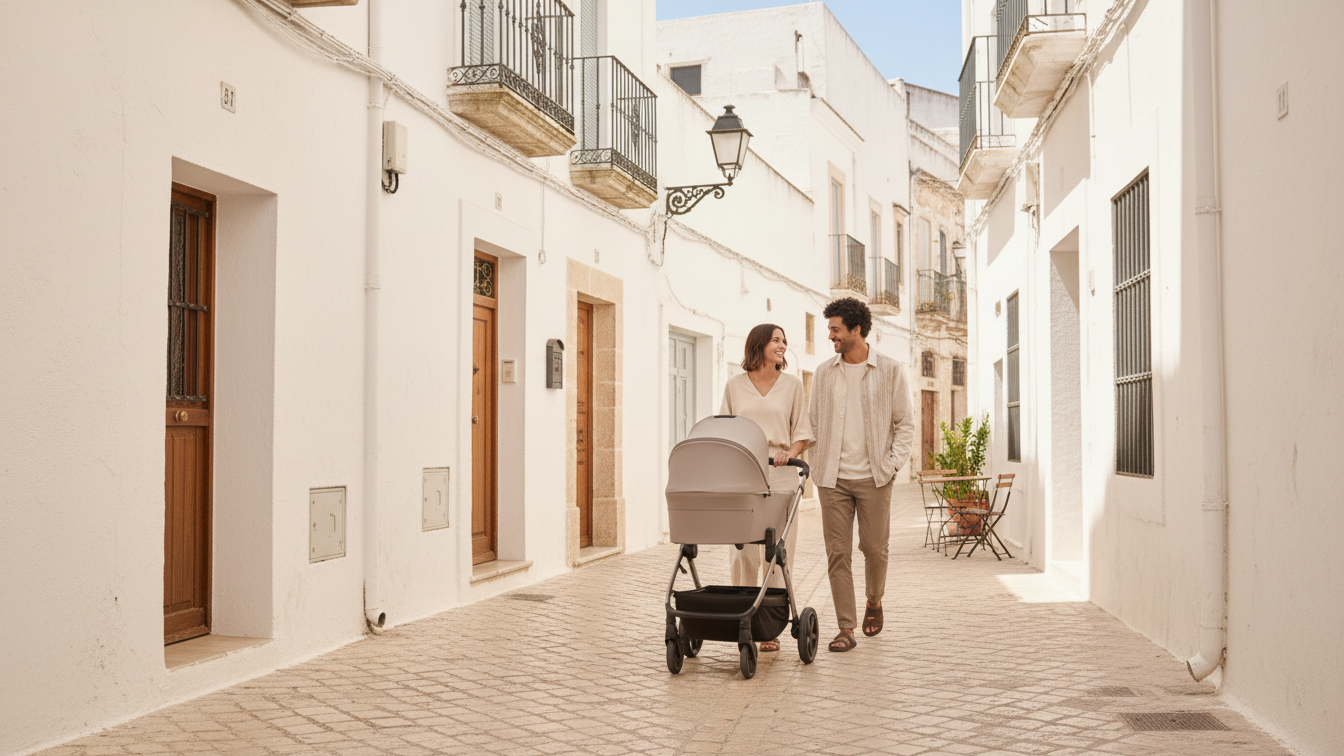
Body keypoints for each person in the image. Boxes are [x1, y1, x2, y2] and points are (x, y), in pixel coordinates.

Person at [807, 298, 915, 652]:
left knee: (874, 548)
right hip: (832, 478)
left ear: (856, 330)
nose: (830, 336)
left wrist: (892, 464)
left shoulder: (890, 370)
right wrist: (817, 462)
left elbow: (905, 424)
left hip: (875, 477)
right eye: (829, 330)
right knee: (837, 553)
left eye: (835, 329)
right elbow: (813, 422)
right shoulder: (824, 372)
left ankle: (874, 599)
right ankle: (846, 628)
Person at [719, 323, 814, 653]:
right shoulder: (734, 386)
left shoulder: (792, 386)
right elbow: (725, 430)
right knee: (742, 551)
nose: (782, 345)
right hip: (744, 473)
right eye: (776, 340)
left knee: (776, 552)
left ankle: (769, 626)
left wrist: (791, 453)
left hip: (781, 473)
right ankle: (744, 620)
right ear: (758, 345)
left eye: (784, 341)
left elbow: (802, 432)